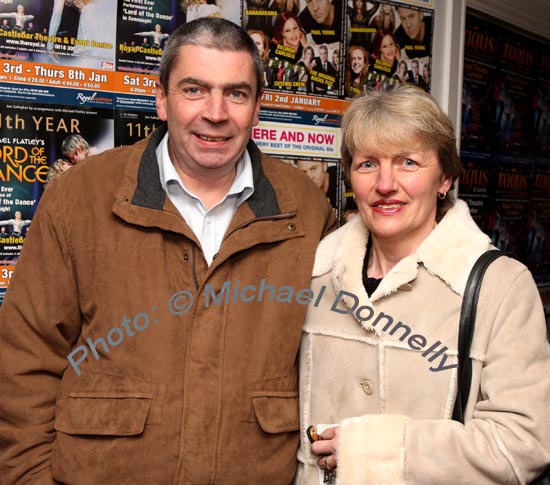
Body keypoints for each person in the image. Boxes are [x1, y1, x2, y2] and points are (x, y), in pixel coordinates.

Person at [0, 17, 335, 484]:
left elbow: (334, 358)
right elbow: (25, 362)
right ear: (161, 99)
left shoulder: (307, 209)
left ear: (258, 108)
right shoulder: (80, 197)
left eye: (236, 93)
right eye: (194, 90)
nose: (216, 112)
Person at [295, 86, 550, 484]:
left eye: (408, 162)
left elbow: (522, 444)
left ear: (445, 177)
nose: (385, 184)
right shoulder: (314, 273)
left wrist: (377, 450)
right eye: (367, 165)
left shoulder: (501, 287)